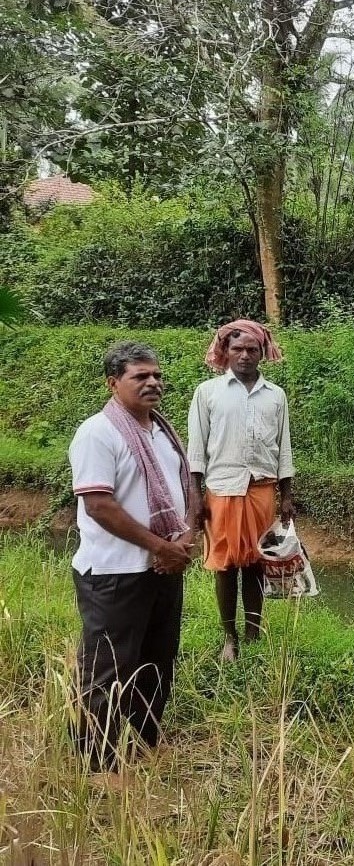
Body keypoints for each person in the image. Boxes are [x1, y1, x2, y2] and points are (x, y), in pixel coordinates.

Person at [69, 341, 198, 773]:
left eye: (157, 376)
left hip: (161, 568)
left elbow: (184, 489)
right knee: (107, 669)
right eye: (140, 376)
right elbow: (99, 505)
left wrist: (182, 540)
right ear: (113, 383)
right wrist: (161, 546)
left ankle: (144, 743)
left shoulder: (162, 431)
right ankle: (99, 766)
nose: (153, 383)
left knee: (156, 660)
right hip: (114, 572)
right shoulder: (97, 433)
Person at [189, 320, 294, 664]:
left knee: (256, 564)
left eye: (252, 349)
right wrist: (195, 496)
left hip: (262, 490)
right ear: (225, 352)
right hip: (221, 490)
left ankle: (253, 632)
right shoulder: (208, 393)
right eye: (238, 349)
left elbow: (283, 448)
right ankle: (229, 638)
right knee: (225, 566)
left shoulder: (275, 395)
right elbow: (196, 450)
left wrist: (287, 495)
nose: (245, 355)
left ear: (262, 353)